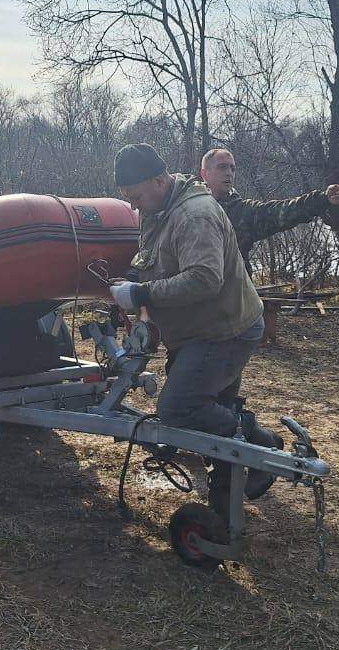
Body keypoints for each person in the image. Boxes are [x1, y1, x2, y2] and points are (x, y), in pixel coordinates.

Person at [108, 144, 278, 512]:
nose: (134, 207)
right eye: (128, 200)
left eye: (135, 197)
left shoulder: (194, 215)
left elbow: (204, 279)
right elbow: (155, 258)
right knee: (214, 407)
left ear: (158, 180)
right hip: (205, 328)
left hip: (225, 330)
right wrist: (132, 282)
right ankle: (224, 500)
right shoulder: (158, 208)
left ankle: (259, 444)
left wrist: (140, 293)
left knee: (179, 407)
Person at [198, 147, 339, 271]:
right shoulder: (189, 208)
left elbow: (283, 211)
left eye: (232, 168)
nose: (229, 173)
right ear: (205, 173)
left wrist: (323, 199)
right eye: (222, 167)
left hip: (235, 300)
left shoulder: (244, 213)